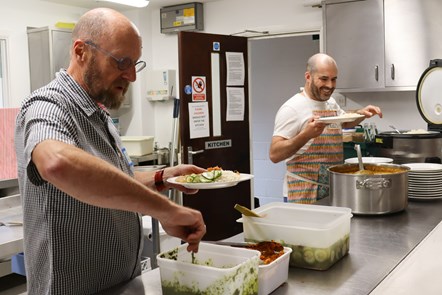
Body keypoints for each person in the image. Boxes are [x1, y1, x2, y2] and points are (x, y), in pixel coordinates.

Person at [14, 8, 206, 295]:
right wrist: (167, 210)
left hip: (118, 284)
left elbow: (109, 179)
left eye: (135, 64)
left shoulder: (98, 114)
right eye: (121, 62)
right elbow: (57, 163)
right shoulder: (47, 105)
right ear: (81, 52)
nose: (131, 76)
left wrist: (162, 178)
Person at [269, 53, 382, 204]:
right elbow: (274, 154)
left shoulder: (330, 103)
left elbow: (344, 123)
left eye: (334, 79)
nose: (330, 85)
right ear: (308, 76)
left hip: (331, 190)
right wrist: (306, 135)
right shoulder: (292, 108)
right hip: (303, 193)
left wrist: (361, 114)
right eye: (324, 79)